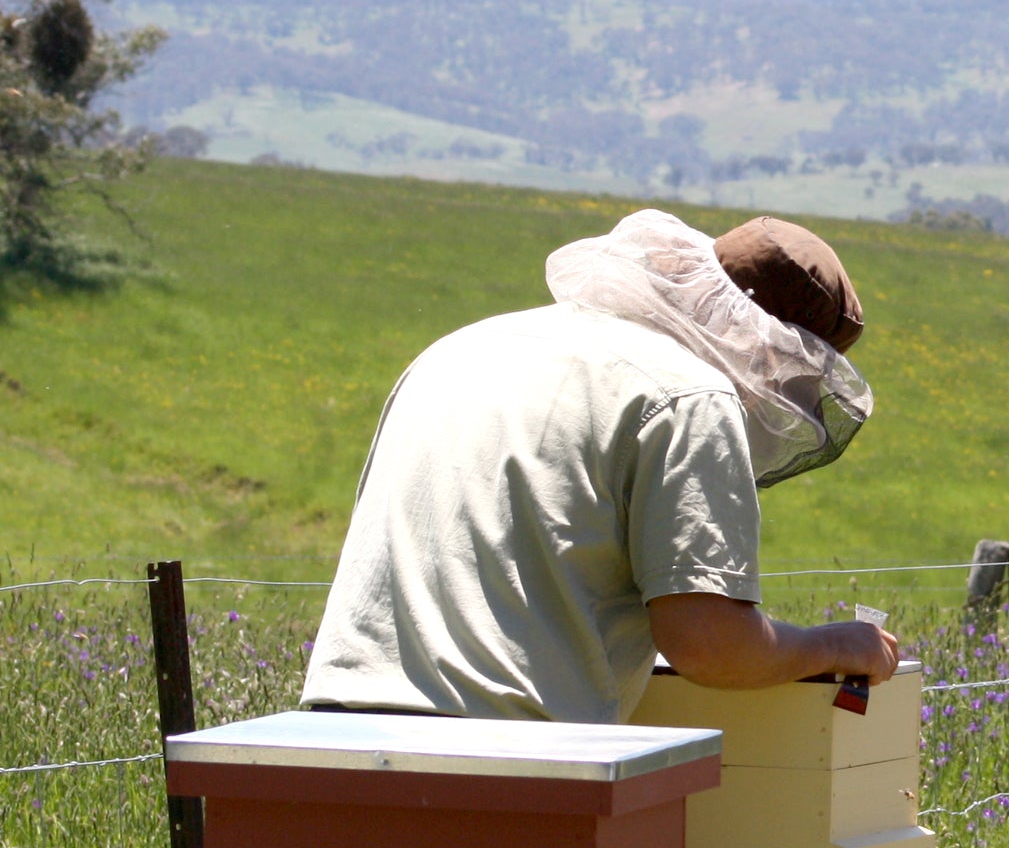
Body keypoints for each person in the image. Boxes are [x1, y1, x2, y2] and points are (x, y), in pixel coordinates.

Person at [300, 209, 898, 721]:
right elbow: (711, 644)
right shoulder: (691, 395)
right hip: (505, 748)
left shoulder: (463, 347)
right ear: (770, 350)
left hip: (333, 725)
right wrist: (834, 644)